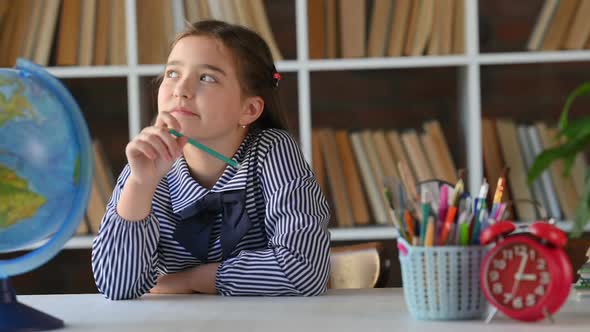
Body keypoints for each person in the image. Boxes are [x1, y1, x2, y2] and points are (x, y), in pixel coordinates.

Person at [91, 20, 331, 300]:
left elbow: (304, 271)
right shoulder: (148, 161)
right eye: (172, 73)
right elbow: (115, 285)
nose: (181, 89)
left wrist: (194, 279)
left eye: (207, 78)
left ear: (249, 109)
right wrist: (140, 185)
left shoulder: (272, 151)